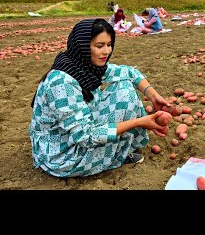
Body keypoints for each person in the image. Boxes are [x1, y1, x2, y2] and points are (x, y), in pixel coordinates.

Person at [29, 19, 172, 178]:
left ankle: (117, 151)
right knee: (124, 97)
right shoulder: (61, 82)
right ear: (82, 46)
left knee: (125, 88)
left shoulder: (86, 66)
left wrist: (154, 96)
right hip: (61, 155)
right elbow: (85, 136)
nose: (106, 51)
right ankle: (115, 155)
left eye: (109, 45)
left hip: (76, 133)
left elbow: (129, 73)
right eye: (99, 46)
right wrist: (139, 122)